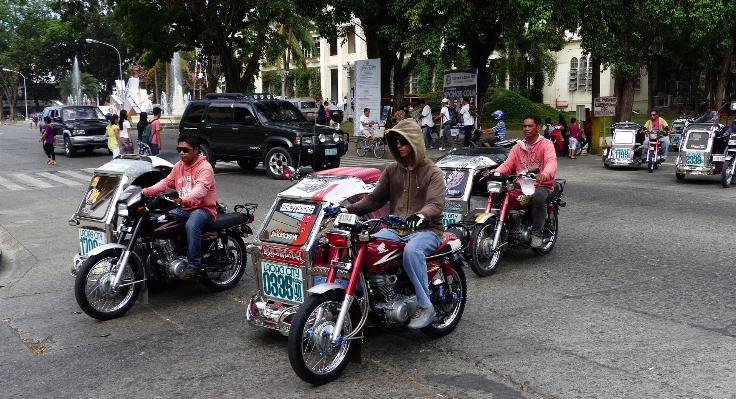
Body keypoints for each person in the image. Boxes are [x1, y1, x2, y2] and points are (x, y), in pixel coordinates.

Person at [342, 118, 445, 329]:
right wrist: (346, 209)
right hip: (395, 229)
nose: (399, 145)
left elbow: (436, 204)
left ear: (415, 142)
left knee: (412, 252)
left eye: (403, 141)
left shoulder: (433, 172)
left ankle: (426, 306)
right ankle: (369, 300)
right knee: (366, 246)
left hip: (426, 230)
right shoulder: (392, 170)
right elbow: (373, 200)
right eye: (396, 141)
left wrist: (421, 215)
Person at [142, 134, 217, 280]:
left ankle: (194, 265)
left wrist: (184, 200)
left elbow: (200, 190)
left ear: (195, 150)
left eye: (185, 149)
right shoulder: (179, 166)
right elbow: (165, 183)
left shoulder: (205, 168)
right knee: (160, 220)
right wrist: (145, 191)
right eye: (179, 149)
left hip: (202, 209)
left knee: (192, 225)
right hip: (183, 208)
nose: (181, 152)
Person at [494, 114, 557, 248]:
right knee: (501, 194)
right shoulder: (518, 146)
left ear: (538, 127)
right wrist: (493, 173)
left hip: (541, 184)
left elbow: (551, 162)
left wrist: (544, 174)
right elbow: (508, 164)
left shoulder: (546, 144)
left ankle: (537, 234)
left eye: (530, 126)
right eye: (524, 126)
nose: (527, 128)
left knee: (539, 198)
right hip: (520, 184)